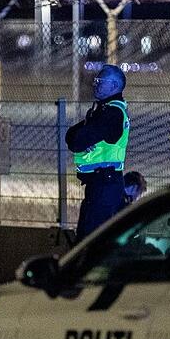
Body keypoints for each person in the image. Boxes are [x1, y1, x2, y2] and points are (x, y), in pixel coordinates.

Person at [65, 64, 130, 241]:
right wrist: (83, 133)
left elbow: (77, 141)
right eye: (95, 80)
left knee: (90, 240)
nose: (95, 84)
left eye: (100, 81)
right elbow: (71, 135)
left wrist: (83, 133)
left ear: (115, 86)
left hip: (104, 185)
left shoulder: (111, 113)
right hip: (102, 183)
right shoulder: (103, 110)